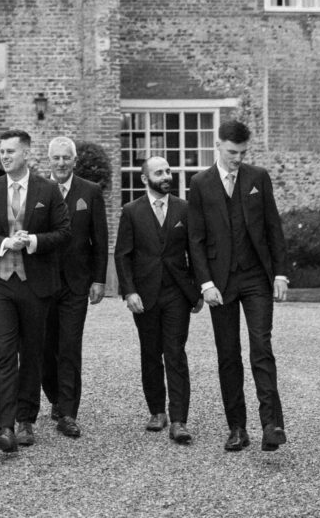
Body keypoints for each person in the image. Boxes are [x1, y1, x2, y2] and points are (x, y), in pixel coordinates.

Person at [187, 118, 289, 453]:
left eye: (243, 152)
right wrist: (205, 283)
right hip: (220, 282)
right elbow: (196, 240)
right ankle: (237, 428)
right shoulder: (200, 183)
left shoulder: (258, 177)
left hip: (257, 277)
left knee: (262, 348)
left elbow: (273, 227)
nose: (237, 158)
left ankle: (272, 425)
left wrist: (280, 273)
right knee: (228, 355)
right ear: (218, 145)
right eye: (232, 151)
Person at [0, 128, 71, 453]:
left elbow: (64, 232)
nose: (4, 156)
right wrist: (2, 243)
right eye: (1, 151)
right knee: (4, 352)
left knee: (32, 353)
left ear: (26, 154)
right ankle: (6, 427)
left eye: (10, 151)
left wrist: (34, 242)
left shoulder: (48, 189)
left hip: (34, 283)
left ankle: (27, 418)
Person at [114, 156, 202, 445]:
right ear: (144, 179)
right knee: (150, 353)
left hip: (177, 292)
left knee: (175, 353)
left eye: (168, 171)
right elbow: (123, 254)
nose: (166, 176)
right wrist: (129, 291)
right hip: (145, 294)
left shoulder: (184, 209)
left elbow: (195, 251)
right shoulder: (131, 211)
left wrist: (199, 289)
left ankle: (179, 420)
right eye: (159, 172)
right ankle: (156, 411)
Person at [41, 136, 108, 438]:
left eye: (66, 158)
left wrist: (99, 279)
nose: (61, 163)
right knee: (45, 348)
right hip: (42, 284)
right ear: (49, 160)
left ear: (74, 160)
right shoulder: (38, 190)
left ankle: (68, 412)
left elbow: (100, 239)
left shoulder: (90, 192)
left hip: (76, 283)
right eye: (56, 158)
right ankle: (54, 396)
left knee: (69, 346)